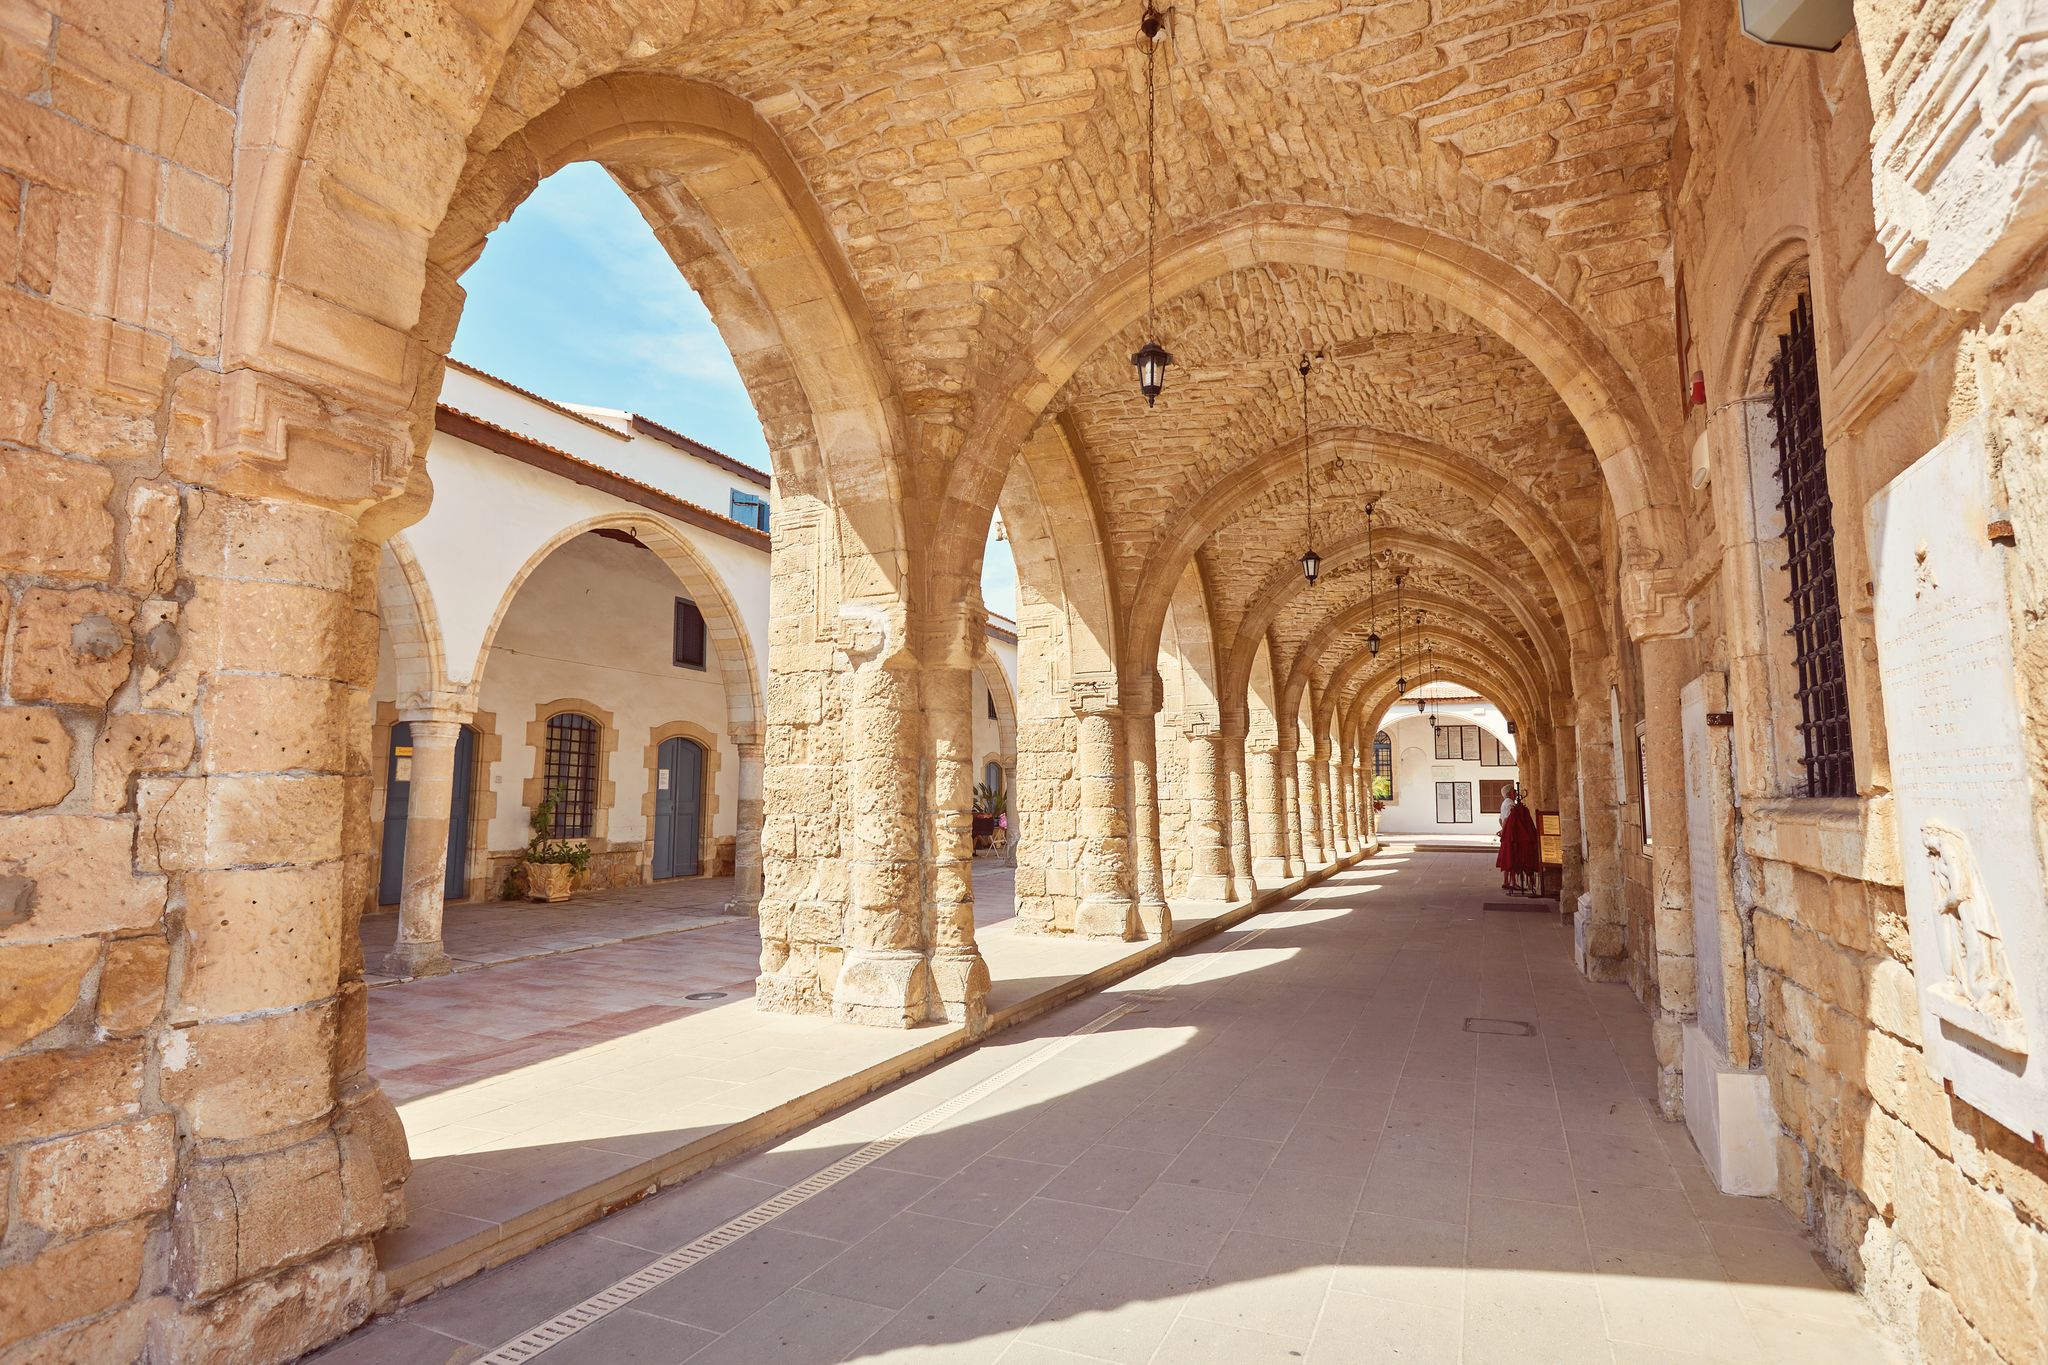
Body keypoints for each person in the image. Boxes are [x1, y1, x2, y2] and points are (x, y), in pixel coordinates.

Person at [1496, 782, 1541, 896]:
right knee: (1512, 856)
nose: (1516, 794)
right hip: (1512, 835)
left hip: (1508, 833)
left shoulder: (1504, 803)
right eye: (1514, 792)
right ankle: (1512, 882)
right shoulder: (1510, 803)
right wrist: (1505, 831)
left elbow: (1501, 819)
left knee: (1507, 857)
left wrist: (1502, 830)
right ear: (1510, 793)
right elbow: (1506, 819)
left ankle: (1506, 881)